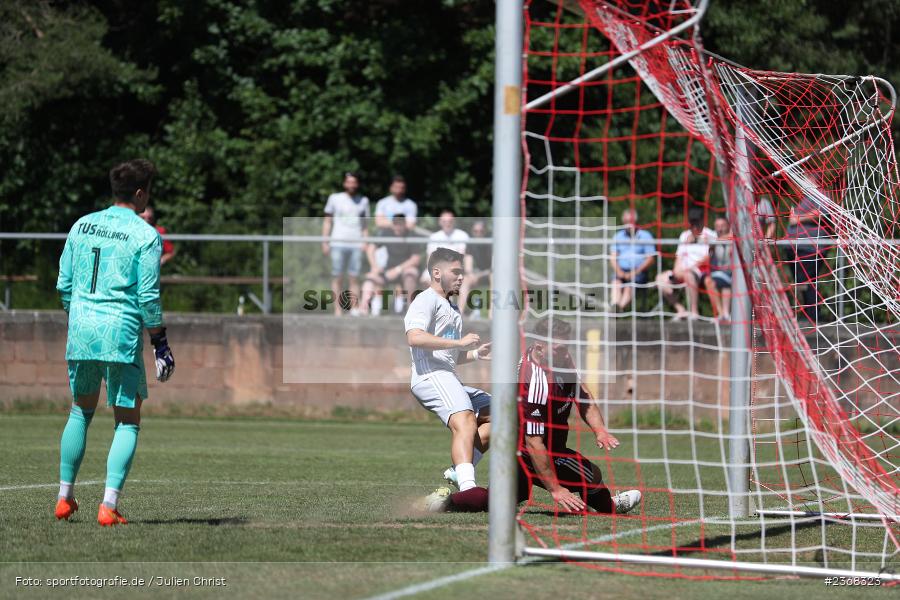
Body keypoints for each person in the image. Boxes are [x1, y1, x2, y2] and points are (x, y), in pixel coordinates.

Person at [54, 159, 175, 526]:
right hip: (119, 333)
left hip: (81, 329)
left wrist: (79, 317)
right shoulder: (145, 235)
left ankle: (64, 497)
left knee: (80, 411)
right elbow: (149, 297)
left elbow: (63, 284)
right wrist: (160, 341)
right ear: (140, 194)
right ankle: (108, 505)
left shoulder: (82, 225)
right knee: (127, 421)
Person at [421, 317, 641, 516]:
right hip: (536, 453)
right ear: (540, 347)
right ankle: (611, 507)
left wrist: (599, 429)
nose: (565, 353)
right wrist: (556, 489)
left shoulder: (557, 357)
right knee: (592, 474)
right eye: (560, 349)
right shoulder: (535, 385)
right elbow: (535, 442)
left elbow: (581, 393)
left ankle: (441, 503)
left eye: (566, 348)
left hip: (516, 451)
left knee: (496, 501)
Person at [405, 247, 492, 492]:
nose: (461, 277)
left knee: (503, 416)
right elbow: (415, 337)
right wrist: (459, 342)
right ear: (436, 273)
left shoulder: (452, 309)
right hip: (429, 376)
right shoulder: (425, 299)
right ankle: (468, 489)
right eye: (455, 272)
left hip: (446, 374)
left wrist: (476, 353)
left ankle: (460, 470)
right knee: (465, 420)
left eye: (462, 272)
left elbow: (449, 355)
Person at [655, 207, 716, 320]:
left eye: (696, 222)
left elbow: (709, 256)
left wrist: (692, 266)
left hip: (700, 270)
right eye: (692, 222)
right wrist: (676, 270)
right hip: (682, 270)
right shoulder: (684, 235)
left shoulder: (710, 234)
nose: (694, 226)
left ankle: (694, 312)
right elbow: (679, 256)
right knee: (660, 279)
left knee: (688, 274)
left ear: (703, 220)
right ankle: (681, 310)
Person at [322, 172, 370, 316]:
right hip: (337, 242)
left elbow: (365, 225)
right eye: (349, 182)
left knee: (354, 277)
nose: (352, 185)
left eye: (354, 182)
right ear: (345, 183)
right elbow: (327, 221)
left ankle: (354, 309)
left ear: (357, 184)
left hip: (356, 243)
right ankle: (337, 309)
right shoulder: (334, 198)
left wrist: (365, 241)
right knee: (337, 276)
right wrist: (325, 241)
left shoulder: (363, 200)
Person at [784, 189, 830, 322]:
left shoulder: (821, 193)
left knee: (807, 281)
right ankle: (807, 316)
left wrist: (798, 218)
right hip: (795, 247)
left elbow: (822, 212)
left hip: (809, 247)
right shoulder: (803, 196)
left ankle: (814, 317)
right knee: (800, 283)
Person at [361, 215, 421, 315]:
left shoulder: (411, 234)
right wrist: (375, 266)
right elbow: (370, 249)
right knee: (370, 278)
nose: (398, 227)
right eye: (395, 224)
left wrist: (398, 270)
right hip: (387, 271)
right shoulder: (386, 233)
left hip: (404, 271)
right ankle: (363, 311)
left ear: (405, 224)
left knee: (411, 274)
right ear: (392, 225)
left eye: (400, 224)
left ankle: (411, 311)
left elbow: (415, 259)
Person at [610, 208, 655, 311]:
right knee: (616, 283)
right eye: (625, 222)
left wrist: (635, 272)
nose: (628, 225)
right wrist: (620, 272)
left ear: (636, 222)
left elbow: (651, 259)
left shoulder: (645, 236)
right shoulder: (618, 236)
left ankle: (617, 310)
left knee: (629, 287)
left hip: (638, 272)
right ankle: (615, 305)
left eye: (630, 222)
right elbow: (613, 258)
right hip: (620, 271)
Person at [460, 219, 492, 317]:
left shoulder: (491, 243)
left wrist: (478, 275)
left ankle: (492, 316)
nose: (478, 234)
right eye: (475, 231)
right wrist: (471, 275)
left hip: (491, 274)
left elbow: (494, 268)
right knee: (465, 280)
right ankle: (458, 314)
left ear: (485, 231)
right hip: (478, 274)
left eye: (481, 231)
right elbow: (468, 265)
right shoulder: (471, 243)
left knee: (494, 277)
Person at [706, 217, 733, 322]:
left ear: (728, 226)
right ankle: (722, 313)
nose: (720, 229)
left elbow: (731, 237)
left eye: (722, 226)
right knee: (712, 282)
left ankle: (725, 313)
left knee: (724, 282)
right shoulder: (712, 237)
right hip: (718, 272)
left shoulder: (732, 236)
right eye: (717, 226)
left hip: (732, 272)